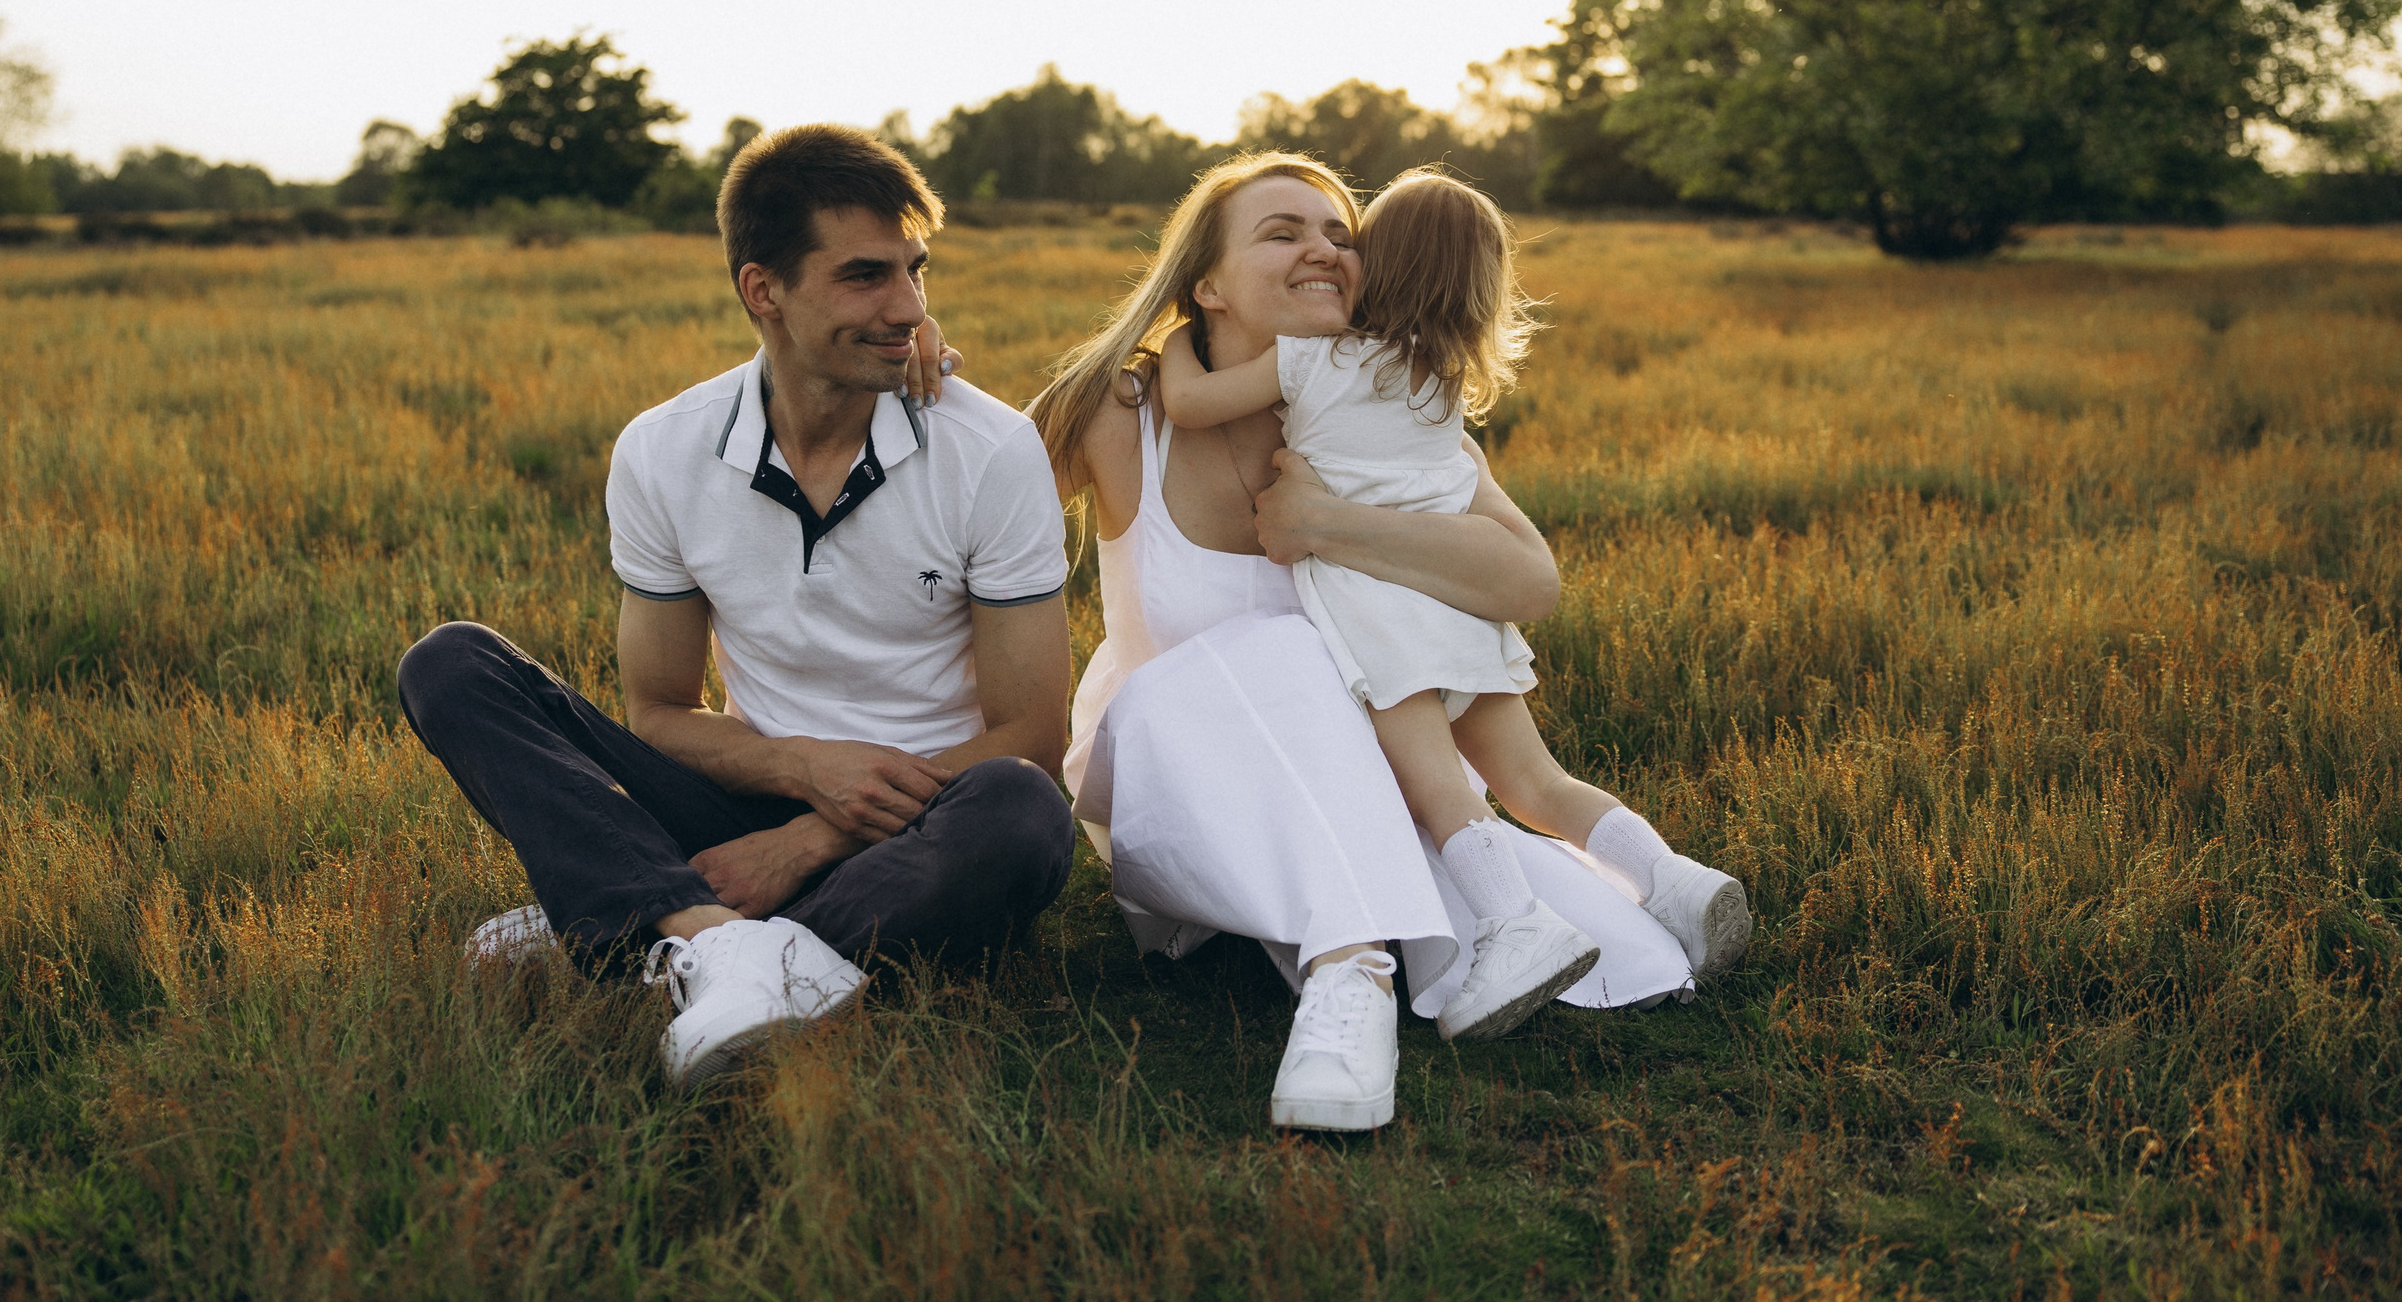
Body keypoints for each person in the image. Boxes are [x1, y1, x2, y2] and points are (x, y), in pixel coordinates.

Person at [1029, 153, 1714, 1135]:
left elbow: (1528, 581)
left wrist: (1328, 523)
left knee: (1616, 947)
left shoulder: (1386, 411)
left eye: (1341, 233)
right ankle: (1349, 972)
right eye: (1282, 232)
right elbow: (967, 498)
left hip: (1361, 781)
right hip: (1175, 768)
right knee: (1278, 648)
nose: (1322, 248)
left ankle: (1461, 929)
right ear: (1206, 283)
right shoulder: (1120, 407)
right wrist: (920, 372)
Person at [399, 124, 1077, 1086]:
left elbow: (1029, 735)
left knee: (1024, 812)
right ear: (764, 290)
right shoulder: (662, 450)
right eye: (864, 277)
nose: (908, 308)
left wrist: (813, 837)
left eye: (915, 273)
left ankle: (640, 925)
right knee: (451, 663)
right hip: (739, 802)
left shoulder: (989, 449)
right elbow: (659, 712)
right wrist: (800, 772)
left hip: (932, 817)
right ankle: (719, 944)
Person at [1154, 170, 1749, 1045]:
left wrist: (1171, 340)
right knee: (1536, 782)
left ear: (1376, 269)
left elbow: (1190, 402)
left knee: (1440, 792)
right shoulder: (1441, 385)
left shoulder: (1316, 362)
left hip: (1383, 628)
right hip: (1465, 621)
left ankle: (1516, 928)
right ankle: (1672, 880)